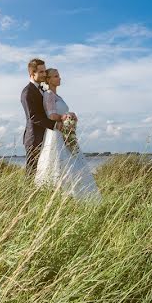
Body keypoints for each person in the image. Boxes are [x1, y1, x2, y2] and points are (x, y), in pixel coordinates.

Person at [35, 68, 102, 202]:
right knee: (57, 163)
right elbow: (51, 115)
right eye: (56, 76)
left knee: (71, 162)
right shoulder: (48, 95)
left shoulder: (57, 96)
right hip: (55, 134)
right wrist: (65, 116)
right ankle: (56, 195)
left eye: (58, 76)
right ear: (48, 80)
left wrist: (70, 116)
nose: (59, 78)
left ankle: (75, 197)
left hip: (63, 132)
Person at [20, 58, 58, 176]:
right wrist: (55, 125)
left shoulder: (42, 90)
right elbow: (33, 116)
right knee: (32, 172)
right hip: (34, 138)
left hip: (46, 136)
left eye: (45, 71)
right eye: (41, 72)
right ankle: (27, 194)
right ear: (32, 73)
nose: (44, 74)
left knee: (43, 171)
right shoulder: (27, 92)